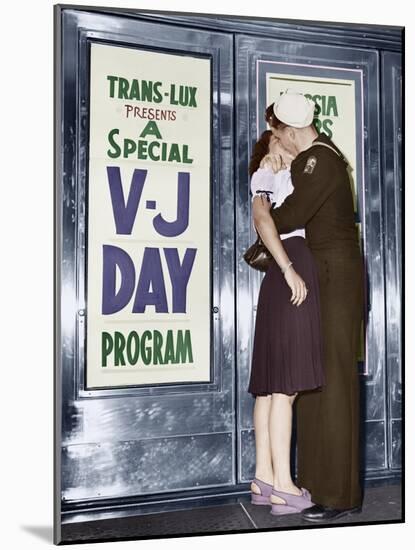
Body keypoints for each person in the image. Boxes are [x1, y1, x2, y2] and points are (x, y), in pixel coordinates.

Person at [255, 89, 365, 522]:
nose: (274, 139)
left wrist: (259, 193)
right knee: (314, 383)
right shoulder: (311, 160)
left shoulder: (319, 160)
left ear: (292, 129)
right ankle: (315, 486)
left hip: (335, 282)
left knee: (334, 382)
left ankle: (339, 495)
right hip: (321, 280)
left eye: (277, 132)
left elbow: (286, 218)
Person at [247, 126, 326, 515]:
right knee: (285, 388)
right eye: (279, 136)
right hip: (290, 265)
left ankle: (264, 477)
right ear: (270, 144)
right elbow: (262, 221)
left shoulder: (280, 172)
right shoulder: (270, 171)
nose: (287, 139)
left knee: (270, 386)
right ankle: (283, 485)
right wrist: (290, 268)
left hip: (282, 273)